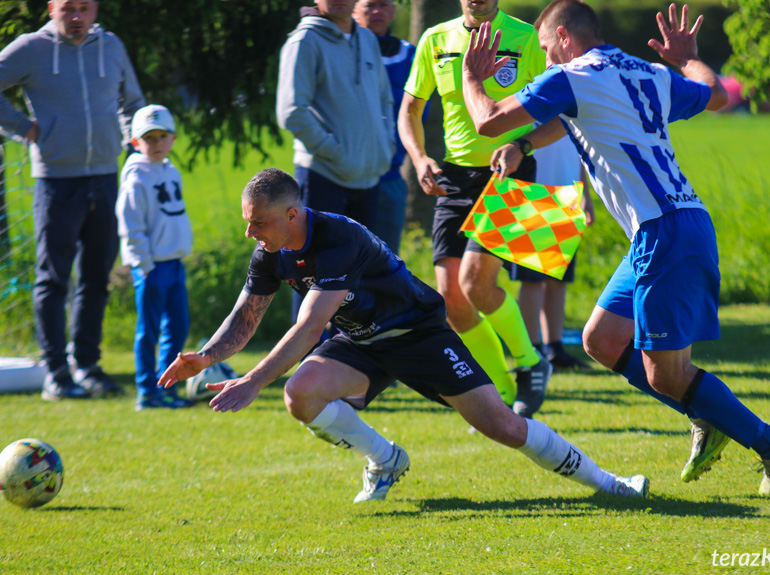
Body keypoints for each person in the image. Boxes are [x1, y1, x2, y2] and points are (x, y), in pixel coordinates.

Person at [460, 1, 770, 496]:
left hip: (665, 231)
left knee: (666, 376)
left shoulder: (572, 76)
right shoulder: (640, 71)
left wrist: (473, 77)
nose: (547, 60)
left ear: (563, 38)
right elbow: (715, 95)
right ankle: (704, 411)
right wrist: (686, 57)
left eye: (545, 49)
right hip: (666, 227)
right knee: (601, 341)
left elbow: (488, 120)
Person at [158, 168, 649, 503]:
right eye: (248, 223)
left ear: (291, 215)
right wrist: (204, 357)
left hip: (417, 334)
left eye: (258, 223)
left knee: (504, 427)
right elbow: (247, 315)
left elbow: (309, 326)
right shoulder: (272, 247)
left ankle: (611, 483)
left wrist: (251, 381)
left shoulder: (337, 240)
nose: (251, 235)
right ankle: (385, 460)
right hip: (360, 341)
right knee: (300, 394)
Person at [398, 0, 552, 417]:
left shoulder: (526, 37)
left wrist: (522, 145)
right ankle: (501, 393)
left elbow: (561, 114)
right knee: (452, 300)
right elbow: (410, 110)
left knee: (476, 283)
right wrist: (419, 158)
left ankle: (531, 362)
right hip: (453, 177)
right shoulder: (435, 38)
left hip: (510, 170)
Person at [0, 0, 145, 400]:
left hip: (104, 177)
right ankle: (56, 373)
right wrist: (27, 129)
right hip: (56, 183)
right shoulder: (31, 48)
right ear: (51, 9)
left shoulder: (111, 46)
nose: (77, 17)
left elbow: (133, 102)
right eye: (68, 9)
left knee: (97, 277)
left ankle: (88, 366)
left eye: (84, 8)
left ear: (95, 8)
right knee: (54, 278)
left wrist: (133, 144)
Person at [277, 0, 394, 232]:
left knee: (358, 266)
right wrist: (337, 154)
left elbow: (385, 100)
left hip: (368, 179)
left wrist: (385, 146)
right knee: (321, 266)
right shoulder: (304, 41)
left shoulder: (368, 39)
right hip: (323, 177)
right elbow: (291, 112)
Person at [116, 105, 194, 411]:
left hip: (175, 264)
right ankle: (147, 391)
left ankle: (167, 388)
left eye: (162, 136)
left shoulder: (171, 171)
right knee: (148, 331)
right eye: (149, 138)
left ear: (173, 138)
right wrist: (143, 264)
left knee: (178, 327)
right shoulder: (136, 178)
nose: (157, 142)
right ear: (136, 143)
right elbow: (130, 223)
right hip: (151, 268)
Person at [354, 0, 425, 254]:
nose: (377, 12)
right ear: (354, 9)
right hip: (347, 177)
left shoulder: (409, 55)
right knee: (340, 264)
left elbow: (418, 112)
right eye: (370, 5)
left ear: (394, 10)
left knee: (384, 263)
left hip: (390, 178)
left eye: (384, 5)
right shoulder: (342, 50)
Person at [512, 149, 594, 371]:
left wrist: (585, 195)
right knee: (533, 279)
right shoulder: (528, 113)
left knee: (559, 278)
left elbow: (577, 153)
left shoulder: (572, 113)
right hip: (533, 192)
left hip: (568, 196)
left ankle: (555, 349)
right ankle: (533, 350)